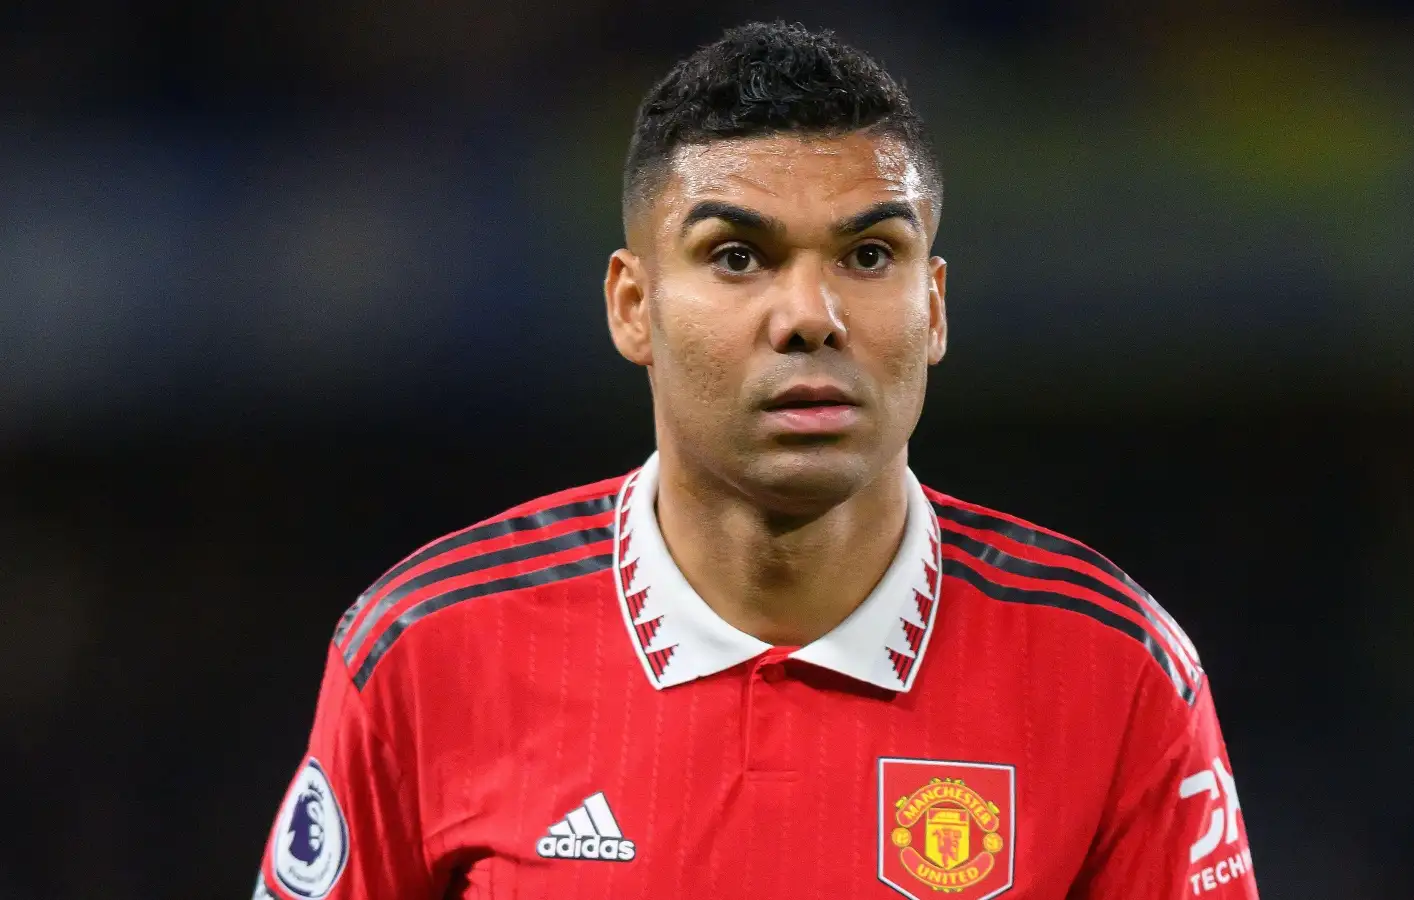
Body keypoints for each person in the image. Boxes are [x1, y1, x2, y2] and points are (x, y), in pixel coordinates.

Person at [253, 20, 1259, 900]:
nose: (810, 318)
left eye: (868, 257)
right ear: (632, 306)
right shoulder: (427, 652)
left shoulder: (1114, 672)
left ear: (935, 307)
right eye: (738, 256)